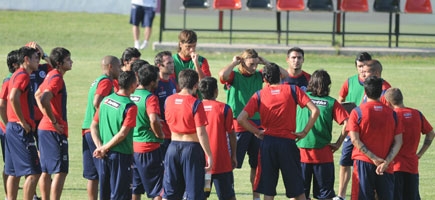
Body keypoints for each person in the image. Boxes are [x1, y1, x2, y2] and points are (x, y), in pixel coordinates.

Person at [237, 63, 319, 200]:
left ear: (264, 79)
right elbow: (315, 110)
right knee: (298, 190)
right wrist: (304, 132)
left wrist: (257, 131)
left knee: (268, 191)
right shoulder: (293, 90)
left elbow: (241, 119)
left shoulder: (259, 95)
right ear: (281, 76)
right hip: (288, 143)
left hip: (268, 143)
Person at [218, 49, 288, 200]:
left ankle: (256, 196)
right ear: (243, 62)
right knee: (231, 163)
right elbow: (222, 75)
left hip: (257, 123)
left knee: (256, 164)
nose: (255, 67)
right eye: (252, 64)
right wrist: (234, 62)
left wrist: (266, 62)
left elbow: (284, 75)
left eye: (256, 64)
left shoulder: (259, 75)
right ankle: (228, 194)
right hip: (238, 124)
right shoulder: (234, 75)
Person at [296, 69, 349, 200]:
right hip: (323, 155)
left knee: (299, 193)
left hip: (300, 153)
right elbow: (348, 123)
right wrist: (338, 143)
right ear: (328, 85)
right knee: (325, 195)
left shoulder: (300, 98)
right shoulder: (331, 102)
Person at [348, 76, 403, 200]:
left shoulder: (357, 112)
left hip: (363, 162)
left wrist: (373, 158)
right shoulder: (392, 114)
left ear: (365, 92)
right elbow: (399, 142)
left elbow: (355, 140)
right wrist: (386, 162)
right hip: (385, 165)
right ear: (381, 93)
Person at [163, 69, 212, 200]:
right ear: (196, 85)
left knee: (171, 191)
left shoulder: (168, 100)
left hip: (172, 148)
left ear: (179, 83)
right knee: (194, 192)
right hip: (191, 149)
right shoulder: (196, 103)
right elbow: (201, 133)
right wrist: (209, 155)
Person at [90, 71, 138, 200]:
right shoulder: (130, 106)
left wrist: (101, 147)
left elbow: (93, 126)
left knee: (105, 194)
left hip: (105, 156)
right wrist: (104, 148)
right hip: (121, 156)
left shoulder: (106, 100)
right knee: (120, 195)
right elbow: (123, 133)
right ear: (133, 85)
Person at [34, 47, 73, 200]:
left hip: (44, 129)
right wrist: (54, 121)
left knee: (45, 169)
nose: (71, 62)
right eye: (68, 60)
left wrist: (46, 116)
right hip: (54, 130)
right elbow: (44, 98)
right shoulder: (56, 78)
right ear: (59, 63)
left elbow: (37, 94)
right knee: (61, 171)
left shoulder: (51, 74)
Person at [81, 55, 121, 200]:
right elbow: (97, 101)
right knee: (104, 172)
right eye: (118, 66)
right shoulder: (106, 82)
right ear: (110, 67)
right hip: (96, 131)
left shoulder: (97, 80)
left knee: (92, 175)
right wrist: (106, 115)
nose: (120, 69)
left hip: (87, 129)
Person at [384, 88, 435, 200]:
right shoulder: (417, 114)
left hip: (395, 166)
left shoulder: (391, 116)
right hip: (412, 166)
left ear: (388, 102)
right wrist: (420, 153)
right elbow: (431, 133)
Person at [5, 46, 41, 200]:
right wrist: (22, 121)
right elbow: (13, 97)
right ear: (26, 59)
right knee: (34, 172)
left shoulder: (14, 75)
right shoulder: (23, 76)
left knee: (13, 171)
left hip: (12, 128)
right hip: (20, 129)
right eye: (35, 58)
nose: (38, 61)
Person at [334, 52, 372, 200]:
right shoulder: (349, 82)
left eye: (365, 66)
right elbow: (340, 101)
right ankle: (341, 195)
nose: (362, 70)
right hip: (351, 130)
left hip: (369, 131)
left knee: (367, 163)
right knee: (345, 161)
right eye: (360, 66)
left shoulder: (380, 84)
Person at [198, 76, 237, 200]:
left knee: (200, 196)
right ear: (216, 91)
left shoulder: (195, 108)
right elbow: (232, 135)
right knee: (228, 197)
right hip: (221, 162)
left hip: (201, 162)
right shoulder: (224, 109)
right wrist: (234, 155)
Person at [131, 64, 165, 200]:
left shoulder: (132, 94)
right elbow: (153, 120)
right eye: (157, 79)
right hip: (149, 148)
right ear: (152, 82)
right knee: (158, 190)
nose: (158, 81)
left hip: (132, 147)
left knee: (136, 188)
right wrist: (159, 134)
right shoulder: (150, 97)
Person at [0, 49, 20, 198]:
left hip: (13, 127)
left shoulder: (20, 78)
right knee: (11, 164)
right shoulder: (9, 80)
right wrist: (9, 126)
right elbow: (2, 105)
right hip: (9, 128)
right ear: (15, 64)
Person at [153, 51, 177, 155]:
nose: (172, 66)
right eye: (169, 63)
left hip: (173, 132)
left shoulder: (172, 80)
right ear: (159, 66)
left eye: (172, 62)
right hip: (162, 135)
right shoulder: (155, 84)